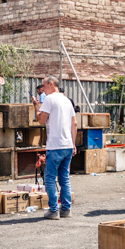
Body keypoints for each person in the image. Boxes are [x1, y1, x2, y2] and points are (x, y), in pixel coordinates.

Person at [32, 76, 77, 220]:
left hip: (55, 145)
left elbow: (41, 120)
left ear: (51, 84)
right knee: (64, 178)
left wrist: (36, 105)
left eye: (44, 86)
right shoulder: (67, 100)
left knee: (49, 178)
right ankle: (66, 209)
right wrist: (73, 143)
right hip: (68, 145)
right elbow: (74, 124)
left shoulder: (49, 99)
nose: (42, 90)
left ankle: (53, 210)